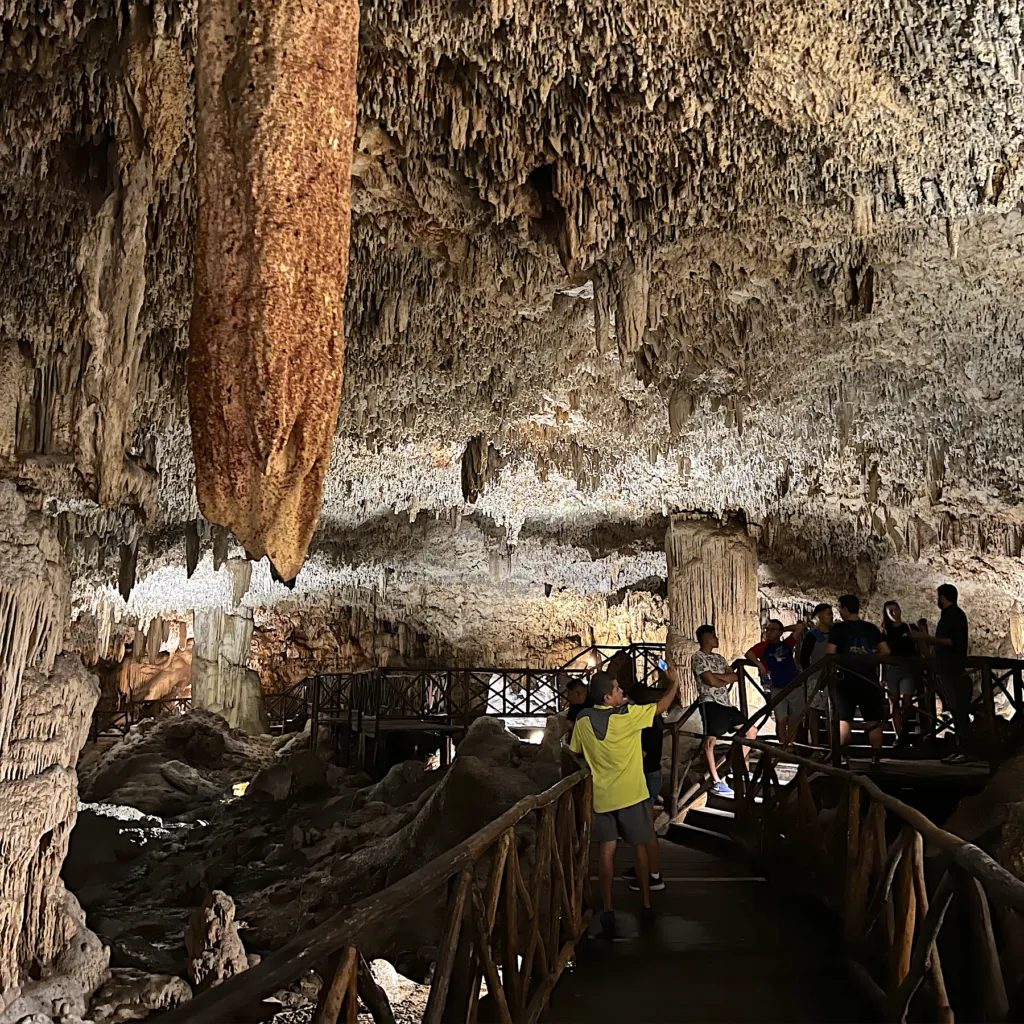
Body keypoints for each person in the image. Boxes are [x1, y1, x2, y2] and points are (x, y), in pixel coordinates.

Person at [569, 668, 680, 936]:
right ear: (608, 697)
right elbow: (662, 705)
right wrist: (674, 683)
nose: (622, 692)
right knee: (639, 848)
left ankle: (607, 908)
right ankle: (645, 903)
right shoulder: (627, 716)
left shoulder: (583, 720)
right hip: (632, 795)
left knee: (606, 853)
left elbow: (574, 752)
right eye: (618, 689)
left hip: (603, 797)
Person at [692, 625, 758, 796]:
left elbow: (735, 677)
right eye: (714, 636)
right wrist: (720, 680)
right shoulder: (698, 657)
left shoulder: (720, 658)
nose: (717, 638)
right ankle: (716, 780)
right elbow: (710, 681)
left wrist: (717, 678)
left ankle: (737, 767)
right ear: (706, 638)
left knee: (751, 731)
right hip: (710, 703)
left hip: (726, 704)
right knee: (710, 741)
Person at [825, 595, 890, 767]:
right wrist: (869, 658)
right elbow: (885, 651)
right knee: (874, 719)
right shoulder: (871, 629)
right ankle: (876, 758)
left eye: (840, 609)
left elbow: (830, 653)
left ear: (845, 609)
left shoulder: (838, 630)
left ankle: (843, 757)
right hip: (869, 678)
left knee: (844, 719)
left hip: (846, 678)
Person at [618, 680, 667, 894]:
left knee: (646, 828)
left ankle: (654, 876)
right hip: (647, 775)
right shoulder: (652, 720)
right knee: (640, 826)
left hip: (646, 777)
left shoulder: (647, 726)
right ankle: (642, 864)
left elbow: (643, 754)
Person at [913, 584, 970, 750]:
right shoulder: (949, 615)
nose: (937, 600)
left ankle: (967, 750)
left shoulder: (955, 616)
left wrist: (926, 637)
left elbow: (952, 641)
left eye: (938, 597)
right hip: (946, 668)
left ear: (943, 597)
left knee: (959, 711)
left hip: (953, 668)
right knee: (955, 710)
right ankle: (961, 748)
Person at [745, 618, 806, 747]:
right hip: (777, 687)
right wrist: (759, 664)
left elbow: (800, 627)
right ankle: (783, 746)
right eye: (767, 630)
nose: (768, 632)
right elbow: (749, 654)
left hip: (794, 686)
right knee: (781, 719)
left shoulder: (787, 644)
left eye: (772, 630)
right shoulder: (763, 647)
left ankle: (791, 745)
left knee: (794, 719)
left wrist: (783, 629)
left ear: (780, 632)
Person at [882, 601, 918, 742]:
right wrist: (881, 675)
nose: (893, 613)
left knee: (907, 701)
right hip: (891, 669)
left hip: (907, 668)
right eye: (890, 611)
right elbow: (882, 654)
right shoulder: (885, 632)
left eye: (895, 609)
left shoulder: (909, 628)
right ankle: (899, 735)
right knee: (894, 702)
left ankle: (905, 732)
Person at [799, 603, 834, 746]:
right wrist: (812, 675)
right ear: (819, 616)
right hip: (815, 678)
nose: (831, 617)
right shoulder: (812, 635)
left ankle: (834, 746)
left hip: (833, 677)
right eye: (828, 614)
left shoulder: (834, 634)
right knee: (814, 712)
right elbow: (804, 658)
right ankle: (815, 744)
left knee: (832, 713)